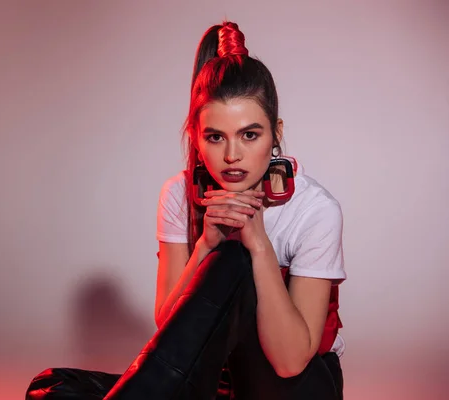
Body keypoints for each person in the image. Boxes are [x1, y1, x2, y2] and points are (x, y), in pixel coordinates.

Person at [26, 21, 346, 400]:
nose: (231, 156)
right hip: (218, 384)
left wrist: (258, 244)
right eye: (215, 137)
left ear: (275, 133)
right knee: (50, 388)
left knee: (236, 257)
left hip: (296, 386)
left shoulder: (314, 210)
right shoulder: (178, 195)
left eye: (250, 134)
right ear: (196, 134)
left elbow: (290, 361)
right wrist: (203, 248)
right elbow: (170, 328)